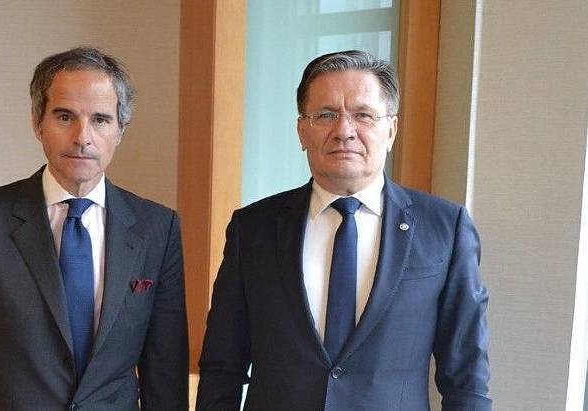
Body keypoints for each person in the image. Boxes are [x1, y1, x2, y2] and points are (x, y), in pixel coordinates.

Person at [196, 50, 490, 410]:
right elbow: (222, 366)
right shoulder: (253, 228)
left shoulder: (445, 227)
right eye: (326, 115)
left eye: (363, 115)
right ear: (302, 131)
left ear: (391, 130)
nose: (344, 131)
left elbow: (466, 376)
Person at [0, 47, 188, 411]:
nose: (83, 137)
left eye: (100, 120)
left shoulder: (158, 228)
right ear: (37, 122)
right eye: (65, 117)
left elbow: (165, 370)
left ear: (120, 130)